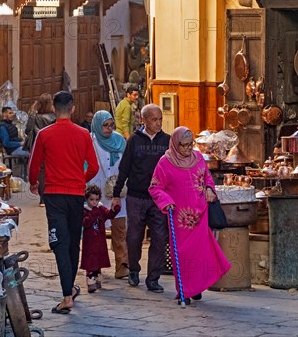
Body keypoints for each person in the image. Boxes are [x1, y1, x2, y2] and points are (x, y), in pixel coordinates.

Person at [28, 91, 99, 314]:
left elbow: (34, 164)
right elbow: (94, 167)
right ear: (73, 108)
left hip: (55, 195)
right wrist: (80, 180)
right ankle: (70, 287)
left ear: (53, 109)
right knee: (71, 242)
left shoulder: (45, 134)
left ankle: (67, 295)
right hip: (76, 195)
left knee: (59, 242)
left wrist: (33, 184)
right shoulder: (83, 134)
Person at [149, 126, 231, 304]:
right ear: (175, 144)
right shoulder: (165, 162)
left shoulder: (198, 158)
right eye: (183, 145)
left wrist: (209, 189)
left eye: (189, 144)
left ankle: (197, 286)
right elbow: (155, 187)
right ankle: (185, 289)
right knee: (183, 254)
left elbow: (207, 177)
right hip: (180, 219)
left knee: (200, 253)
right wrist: (166, 201)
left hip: (200, 215)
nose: (187, 149)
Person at [112, 103, 170, 293]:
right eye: (154, 119)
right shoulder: (134, 141)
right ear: (143, 120)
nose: (158, 123)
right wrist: (116, 193)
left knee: (160, 238)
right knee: (134, 236)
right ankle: (134, 270)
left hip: (159, 198)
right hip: (136, 196)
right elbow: (124, 168)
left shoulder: (167, 141)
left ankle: (153, 278)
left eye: (160, 119)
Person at [88, 110, 130, 279]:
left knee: (119, 229)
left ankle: (122, 265)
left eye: (111, 125)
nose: (108, 128)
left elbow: (126, 163)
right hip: (96, 191)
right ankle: (95, 265)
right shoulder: (91, 141)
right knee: (95, 230)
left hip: (117, 191)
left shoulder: (119, 140)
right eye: (105, 125)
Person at [81, 184, 120, 293]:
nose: (94, 202)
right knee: (90, 262)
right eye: (91, 199)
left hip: (100, 241)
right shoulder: (84, 210)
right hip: (89, 242)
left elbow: (109, 214)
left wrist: (115, 209)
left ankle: (97, 279)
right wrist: (93, 212)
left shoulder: (101, 208)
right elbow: (86, 223)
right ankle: (90, 281)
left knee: (98, 261)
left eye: (96, 200)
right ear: (87, 199)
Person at [24, 93, 56, 207]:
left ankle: (43, 197)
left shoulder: (35, 117)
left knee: (41, 171)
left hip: (39, 144)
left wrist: (32, 112)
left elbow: (27, 130)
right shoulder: (54, 116)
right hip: (53, 145)